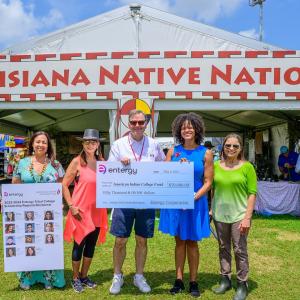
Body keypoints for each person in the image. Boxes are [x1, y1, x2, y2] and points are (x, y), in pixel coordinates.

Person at [108, 110, 165, 295]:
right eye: (134, 122)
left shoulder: (154, 144)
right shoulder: (118, 145)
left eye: (141, 122)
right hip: (124, 200)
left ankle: (139, 276)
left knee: (142, 240)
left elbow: (163, 167)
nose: (138, 126)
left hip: (146, 200)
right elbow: (108, 170)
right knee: (120, 240)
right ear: (128, 124)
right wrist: (118, 164)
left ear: (146, 124)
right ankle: (118, 275)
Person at [159, 112, 213, 297]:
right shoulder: (173, 152)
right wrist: (176, 168)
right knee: (179, 242)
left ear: (197, 129)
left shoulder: (206, 153)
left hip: (196, 203)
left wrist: (194, 197)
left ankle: (194, 281)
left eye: (190, 126)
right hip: (176, 202)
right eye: (183, 127)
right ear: (178, 131)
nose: (187, 129)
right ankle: (179, 280)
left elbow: (208, 182)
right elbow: (164, 176)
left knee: (192, 243)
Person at [12, 131, 65, 290]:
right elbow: (16, 185)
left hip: (49, 214)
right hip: (27, 213)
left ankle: (49, 278)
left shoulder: (56, 165)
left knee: (48, 243)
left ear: (48, 146)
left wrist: (60, 203)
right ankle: (27, 278)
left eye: (44, 142)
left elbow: (61, 186)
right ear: (32, 144)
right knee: (29, 242)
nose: (41, 145)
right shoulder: (21, 163)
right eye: (38, 142)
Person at [211, 133, 257, 300]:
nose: (231, 148)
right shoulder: (215, 165)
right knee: (223, 247)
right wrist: (211, 208)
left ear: (240, 149)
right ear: (223, 147)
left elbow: (252, 193)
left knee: (239, 249)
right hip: (219, 214)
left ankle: (242, 283)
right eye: (228, 145)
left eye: (235, 146)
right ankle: (225, 279)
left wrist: (247, 218)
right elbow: (212, 188)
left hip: (240, 215)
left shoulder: (247, 167)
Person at [63, 128, 108, 293]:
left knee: (91, 246)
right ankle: (75, 278)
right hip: (80, 211)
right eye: (87, 141)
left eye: (93, 142)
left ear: (98, 144)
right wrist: (71, 206)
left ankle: (84, 276)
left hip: (98, 211)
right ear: (83, 144)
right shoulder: (77, 161)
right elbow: (64, 185)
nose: (90, 144)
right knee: (79, 245)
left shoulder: (103, 163)